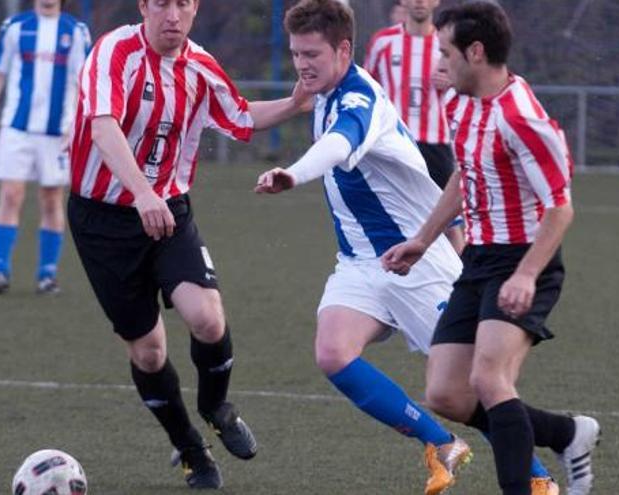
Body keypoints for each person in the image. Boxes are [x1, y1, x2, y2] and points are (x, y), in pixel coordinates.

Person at [67, 0, 310, 489]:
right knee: (150, 354)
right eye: (162, 3)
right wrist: (140, 193)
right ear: (144, 7)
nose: (172, 15)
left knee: (207, 317)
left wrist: (294, 102)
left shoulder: (199, 66)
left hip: (169, 212)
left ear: (195, 9)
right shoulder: (112, 53)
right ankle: (190, 448)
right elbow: (102, 125)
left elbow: (240, 114)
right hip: (103, 222)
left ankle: (216, 405)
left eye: (183, 3)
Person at [255, 1, 474, 494]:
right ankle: (440, 444)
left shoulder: (358, 98)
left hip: (417, 262)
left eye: (312, 53)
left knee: (469, 390)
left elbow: (337, 144)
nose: (302, 64)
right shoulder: (324, 91)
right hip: (361, 263)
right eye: (295, 54)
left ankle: (539, 477)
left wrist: (293, 173)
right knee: (333, 352)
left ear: (344, 49)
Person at [382, 3, 600, 495]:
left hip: (525, 259)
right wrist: (422, 238)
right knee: (446, 393)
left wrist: (526, 274)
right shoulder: (458, 104)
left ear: (475, 52)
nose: (438, 64)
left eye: (445, 52)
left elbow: (560, 207)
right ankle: (566, 434)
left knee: (489, 379)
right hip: (478, 260)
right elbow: (465, 176)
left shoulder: (523, 119)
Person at [0, 0, 91, 295]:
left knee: (51, 199)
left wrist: (76, 126)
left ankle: (46, 274)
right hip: (17, 129)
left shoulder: (75, 31)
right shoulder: (15, 27)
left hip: (57, 134)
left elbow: (86, 83)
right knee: (11, 194)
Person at [364, 0, 465, 254]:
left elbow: (472, 86)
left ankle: (464, 286)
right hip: (393, 144)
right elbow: (367, 89)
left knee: (450, 224)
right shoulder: (383, 42)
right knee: (388, 215)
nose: (420, 1)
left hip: (436, 143)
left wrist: (452, 81)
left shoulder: (447, 44)